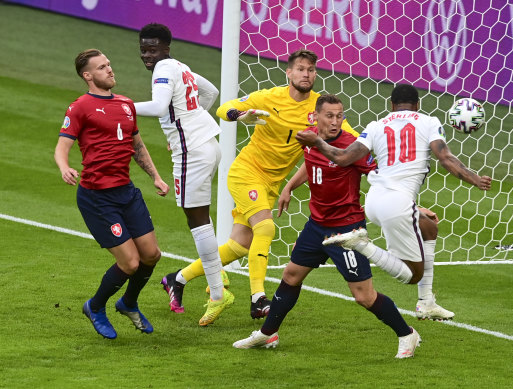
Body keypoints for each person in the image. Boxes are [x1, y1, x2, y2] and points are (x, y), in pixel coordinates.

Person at [160, 49, 356, 319]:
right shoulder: (268, 97)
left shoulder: (319, 109)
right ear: (289, 72)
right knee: (264, 227)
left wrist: (379, 144)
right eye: (300, 69)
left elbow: (353, 138)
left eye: (310, 70)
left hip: (271, 184)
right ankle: (257, 298)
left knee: (239, 246)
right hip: (246, 172)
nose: (306, 74)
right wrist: (240, 116)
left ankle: (177, 279)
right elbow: (222, 108)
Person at [232, 95, 421, 358]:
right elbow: (311, 163)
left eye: (339, 116)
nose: (335, 122)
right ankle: (267, 334)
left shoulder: (351, 149)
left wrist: (412, 205)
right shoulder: (308, 138)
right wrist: (289, 186)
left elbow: (381, 177)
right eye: (329, 116)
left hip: (346, 232)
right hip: (317, 225)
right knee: (291, 276)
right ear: (316, 117)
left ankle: (407, 333)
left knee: (364, 296)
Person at [297, 84, 492, 320]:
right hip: (397, 205)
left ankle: (427, 302)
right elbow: (446, 158)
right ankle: (361, 245)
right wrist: (476, 179)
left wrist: (318, 143)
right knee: (412, 275)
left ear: (391, 106)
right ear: (417, 105)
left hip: (374, 201)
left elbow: (343, 158)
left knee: (428, 227)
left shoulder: (376, 126)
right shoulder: (429, 122)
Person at [54, 49, 170, 339]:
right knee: (129, 262)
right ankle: (95, 306)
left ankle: (128, 303)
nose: (110, 70)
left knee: (152, 255)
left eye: (109, 64)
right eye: (102, 67)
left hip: (126, 193)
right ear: (88, 76)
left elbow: (137, 146)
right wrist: (64, 167)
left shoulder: (126, 104)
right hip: (97, 197)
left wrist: (155, 176)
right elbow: (62, 146)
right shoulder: (80, 107)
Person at [134, 23, 233, 326]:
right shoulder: (179, 66)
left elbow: (159, 105)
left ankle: (218, 293)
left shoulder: (164, 67)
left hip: (192, 151)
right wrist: (191, 120)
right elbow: (210, 91)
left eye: (152, 48)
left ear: (165, 47)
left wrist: (119, 105)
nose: (147, 55)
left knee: (196, 219)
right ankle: (218, 281)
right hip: (207, 145)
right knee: (197, 217)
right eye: (143, 49)